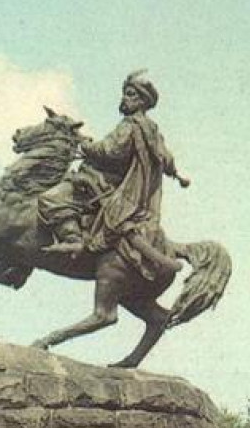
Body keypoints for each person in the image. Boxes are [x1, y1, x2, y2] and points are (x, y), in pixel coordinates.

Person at [38, 71, 190, 278]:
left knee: (50, 198)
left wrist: (85, 144)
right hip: (125, 188)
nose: (124, 99)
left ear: (142, 101)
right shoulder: (153, 129)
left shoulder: (130, 125)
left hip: (105, 183)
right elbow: (167, 158)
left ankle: (73, 241)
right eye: (125, 94)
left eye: (130, 95)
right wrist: (176, 173)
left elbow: (110, 151)